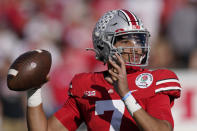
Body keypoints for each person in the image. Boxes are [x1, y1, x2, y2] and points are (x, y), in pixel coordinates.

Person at [27, 9, 181, 131]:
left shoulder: (155, 80)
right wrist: (33, 91)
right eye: (126, 41)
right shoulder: (87, 85)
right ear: (104, 45)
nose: (136, 48)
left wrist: (126, 96)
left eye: (139, 41)